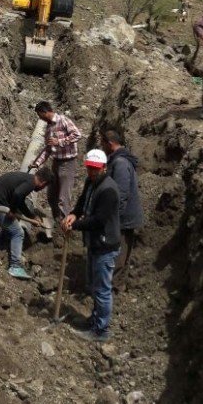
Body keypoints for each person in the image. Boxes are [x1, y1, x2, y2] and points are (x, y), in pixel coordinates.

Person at [62, 149, 120, 341]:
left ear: (104, 168)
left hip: (105, 245)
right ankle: (95, 320)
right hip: (94, 242)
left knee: (102, 290)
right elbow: (82, 203)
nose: (92, 172)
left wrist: (75, 225)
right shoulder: (91, 182)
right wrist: (74, 214)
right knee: (94, 286)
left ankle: (100, 331)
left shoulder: (109, 190)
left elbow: (98, 221)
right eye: (89, 169)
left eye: (96, 169)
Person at [0, 168, 51, 279]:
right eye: (45, 187)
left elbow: (20, 201)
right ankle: (15, 266)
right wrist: (12, 211)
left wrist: (32, 216)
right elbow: (18, 194)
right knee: (18, 233)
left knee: (13, 222)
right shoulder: (31, 184)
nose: (43, 188)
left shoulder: (28, 179)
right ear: (43, 183)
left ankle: (0, 242)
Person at [100, 129, 143, 289]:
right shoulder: (118, 160)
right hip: (122, 216)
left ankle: (112, 287)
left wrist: (113, 219)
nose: (101, 146)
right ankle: (112, 284)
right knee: (117, 252)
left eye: (102, 143)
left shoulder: (120, 163)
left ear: (110, 144)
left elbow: (121, 194)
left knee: (119, 253)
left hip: (123, 218)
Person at [31, 101, 81, 222]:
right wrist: (37, 163)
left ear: (45, 112)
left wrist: (60, 141)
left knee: (63, 198)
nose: (40, 119)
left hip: (68, 163)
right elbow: (48, 149)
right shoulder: (48, 128)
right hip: (56, 163)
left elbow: (77, 135)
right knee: (52, 196)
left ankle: (65, 227)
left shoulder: (63, 120)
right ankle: (58, 222)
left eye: (40, 115)